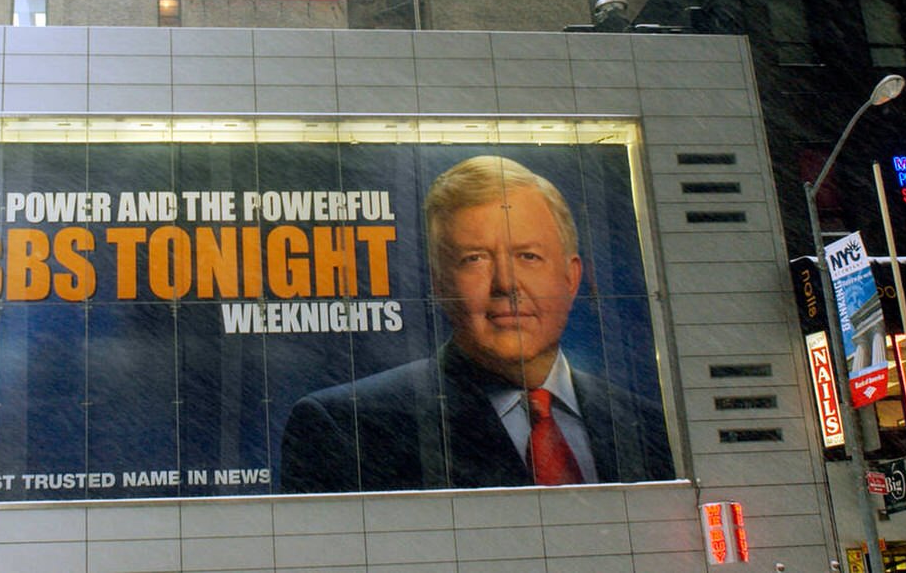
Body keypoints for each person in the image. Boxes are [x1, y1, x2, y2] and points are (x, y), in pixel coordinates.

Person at [279, 155, 673, 492]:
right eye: (475, 259)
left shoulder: (654, 429)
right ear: (438, 283)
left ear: (571, 278)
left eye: (528, 256)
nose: (506, 284)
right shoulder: (349, 428)